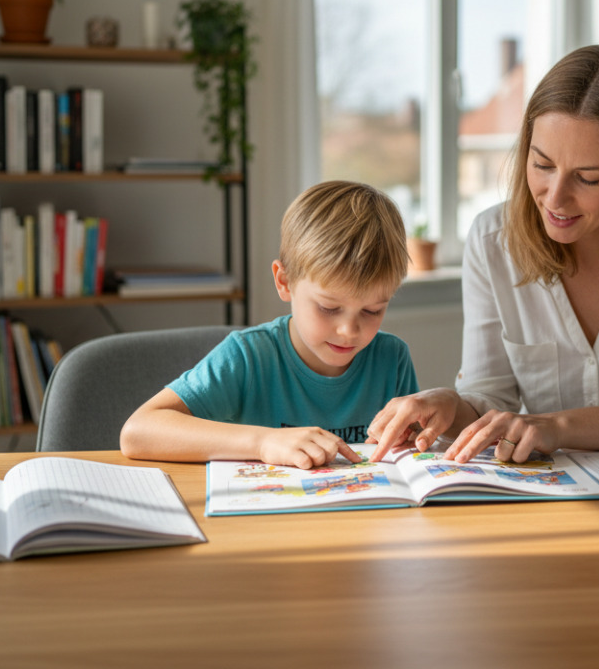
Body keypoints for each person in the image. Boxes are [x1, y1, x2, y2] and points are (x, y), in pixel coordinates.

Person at [368, 44, 599, 464]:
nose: (556, 199)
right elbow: (490, 395)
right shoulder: (492, 239)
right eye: (542, 165)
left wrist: (556, 426)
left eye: (588, 178)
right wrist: (451, 406)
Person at [120, 180, 418, 468]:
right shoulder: (247, 357)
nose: (349, 330)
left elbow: (410, 450)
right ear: (284, 281)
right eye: (328, 307)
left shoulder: (392, 360)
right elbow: (137, 432)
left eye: (372, 311)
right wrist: (263, 442)